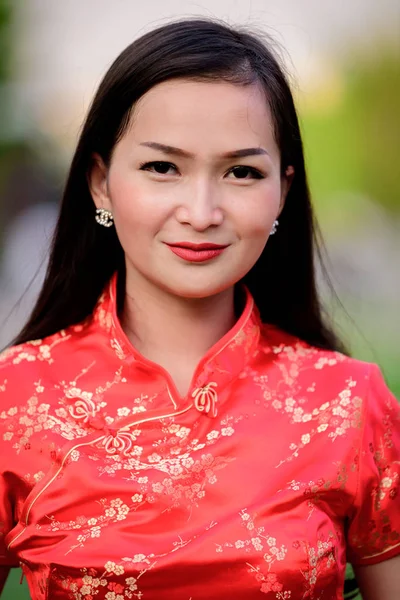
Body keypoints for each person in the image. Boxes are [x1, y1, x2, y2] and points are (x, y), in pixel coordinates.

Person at [0, 18, 399, 600]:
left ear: (282, 191)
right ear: (101, 183)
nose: (202, 210)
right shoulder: (15, 399)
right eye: (163, 167)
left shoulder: (348, 404)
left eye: (242, 172)